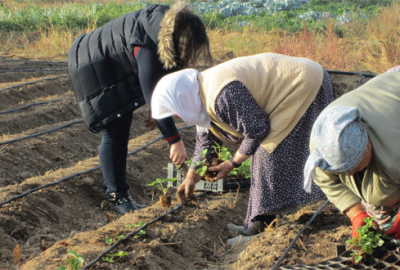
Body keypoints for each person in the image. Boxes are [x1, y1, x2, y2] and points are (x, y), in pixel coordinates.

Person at [151, 52, 335, 244]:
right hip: (300, 83)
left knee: (266, 153)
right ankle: (257, 222)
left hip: (304, 84)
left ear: (182, 99)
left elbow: (257, 129)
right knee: (264, 154)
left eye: (174, 111)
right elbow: (206, 144)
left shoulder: (220, 94)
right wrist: (191, 178)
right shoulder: (200, 98)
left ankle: (260, 227)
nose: (177, 117)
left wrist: (232, 163)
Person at [67, 2, 212, 215]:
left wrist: (160, 110)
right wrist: (174, 140)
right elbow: (152, 89)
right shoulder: (149, 43)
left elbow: (165, 78)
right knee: (115, 129)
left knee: (120, 127)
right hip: (92, 65)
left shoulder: (161, 30)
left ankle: (118, 195)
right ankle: (117, 197)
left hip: (107, 61)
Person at [303, 66, 400, 239]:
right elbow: (329, 183)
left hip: (394, 93)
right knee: (380, 216)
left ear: (368, 144)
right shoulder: (323, 140)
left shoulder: (394, 148)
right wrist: (357, 213)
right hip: (383, 98)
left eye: (354, 165)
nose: (349, 173)